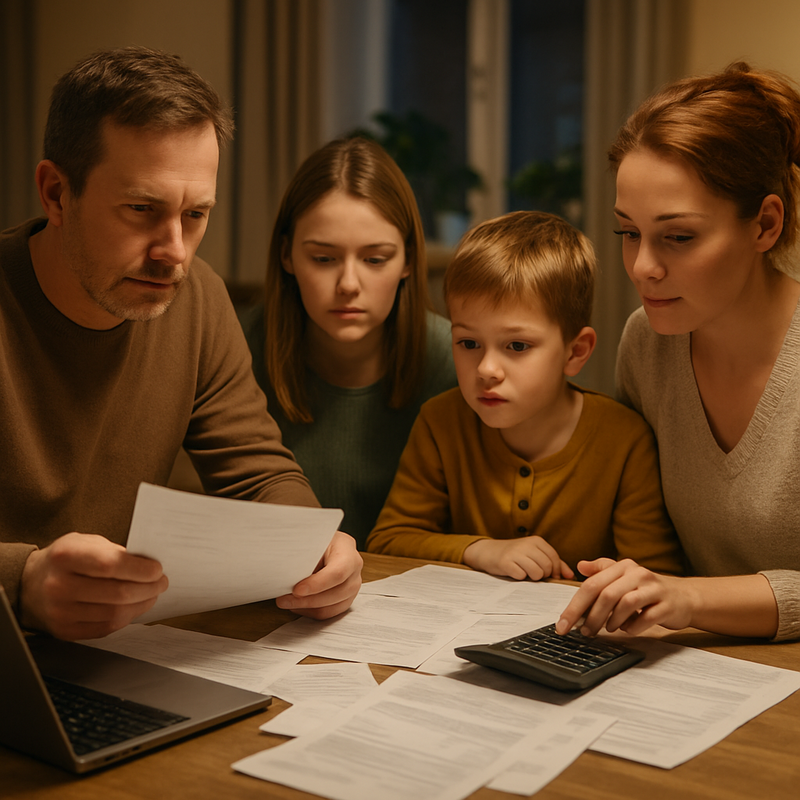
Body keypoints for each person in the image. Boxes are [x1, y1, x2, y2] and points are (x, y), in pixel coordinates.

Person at [0, 46, 362, 642]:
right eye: (142, 209)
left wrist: (313, 544)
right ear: (57, 193)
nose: (174, 252)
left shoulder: (197, 300)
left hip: (118, 655)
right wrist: (22, 583)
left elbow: (257, 473)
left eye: (196, 214)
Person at [557, 62, 800, 643]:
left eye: (679, 236)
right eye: (628, 232)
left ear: (765, 223)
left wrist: (687, 596)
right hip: (695, 666)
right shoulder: (647, 344)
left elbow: (681, 589)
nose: (643, 267)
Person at [367, 211, 683, 581]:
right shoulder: (440, 422)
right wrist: (480, 550)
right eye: (468, 343)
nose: (486, 368)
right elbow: (387, 542)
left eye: (516, 345)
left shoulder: (625, 442)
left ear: (575, 352)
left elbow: (656, 578)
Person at [239, 137, 457, 550]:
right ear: (286, 255)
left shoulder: (456, 360)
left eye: (375, 259)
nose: (349, 285)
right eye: (323, 258)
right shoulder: (235, 350)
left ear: (409, 261)